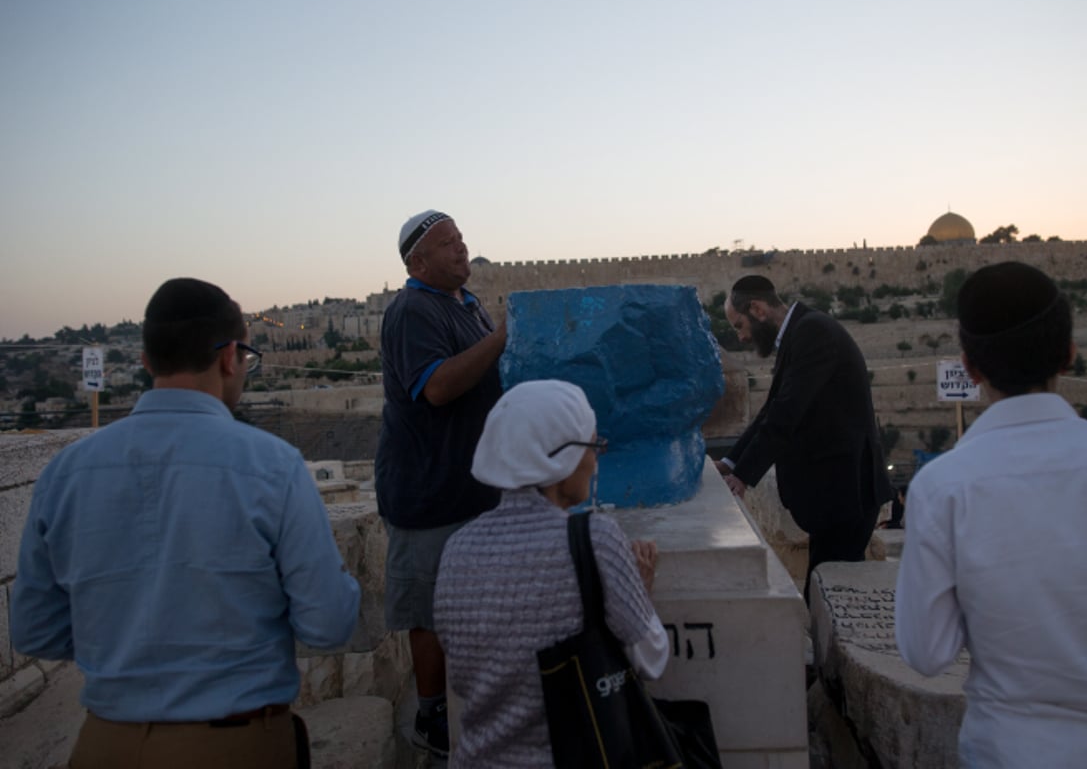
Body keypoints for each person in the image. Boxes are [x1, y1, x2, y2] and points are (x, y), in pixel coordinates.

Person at [11, 278, 361, 769]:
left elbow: (33, 632)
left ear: (147, 363)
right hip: (236, 745)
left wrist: (121, 643)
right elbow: (328, 624)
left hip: (103, 745)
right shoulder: (273, 466)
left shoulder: (65, 473)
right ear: (229, 357)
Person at [895, 261, 1087, 768]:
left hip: (1007, 751)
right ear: (1069, 354)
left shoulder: (941, 487)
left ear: (970, 368)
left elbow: (927, 653)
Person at [434, 379, 668, 767]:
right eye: (592, 446)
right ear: (561, 459)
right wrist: (639, 591)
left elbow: (463, 676)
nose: (595, 461)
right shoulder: (596, 539)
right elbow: (651, 659)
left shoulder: (456, 549)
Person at [374, 209, 507, 757]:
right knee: (428, 611)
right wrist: (502, 338)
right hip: (427, 492)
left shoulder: (465, 306)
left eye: (461, 239)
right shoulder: (411, 310)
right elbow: (437, 388)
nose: (461, 249)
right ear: (417, 261)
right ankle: (433, 716)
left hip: (472, 485)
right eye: (447, 244)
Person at [718, 274, 889, 599]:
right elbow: (772, 409)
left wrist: (742, 476)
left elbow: (787, 411)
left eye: (739, 325)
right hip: (836, 496)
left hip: (846, 493)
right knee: (826, 597)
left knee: (829, 601)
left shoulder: (813, 331)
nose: (740, 337)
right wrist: (730, 463)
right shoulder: (802, 331)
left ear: (757, 309)